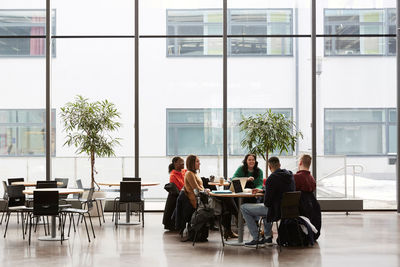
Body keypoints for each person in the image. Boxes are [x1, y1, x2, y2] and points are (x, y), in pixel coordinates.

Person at [241, 156, 295, 248]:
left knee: (244, 207)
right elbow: (280, 191)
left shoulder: (271, 179)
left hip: (275, 211)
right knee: (268, 207)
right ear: (280, 165)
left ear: (270, 167)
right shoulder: (289, 175)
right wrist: (263, 191)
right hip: (287, 210)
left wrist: (266, 194)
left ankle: (256, 238)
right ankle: (268, 237)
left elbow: (267, 203)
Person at [294, 154, 321, 240]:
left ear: (300, 162)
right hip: (311, 210)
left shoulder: (296, 177)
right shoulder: (312, 178)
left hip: (300, 209)